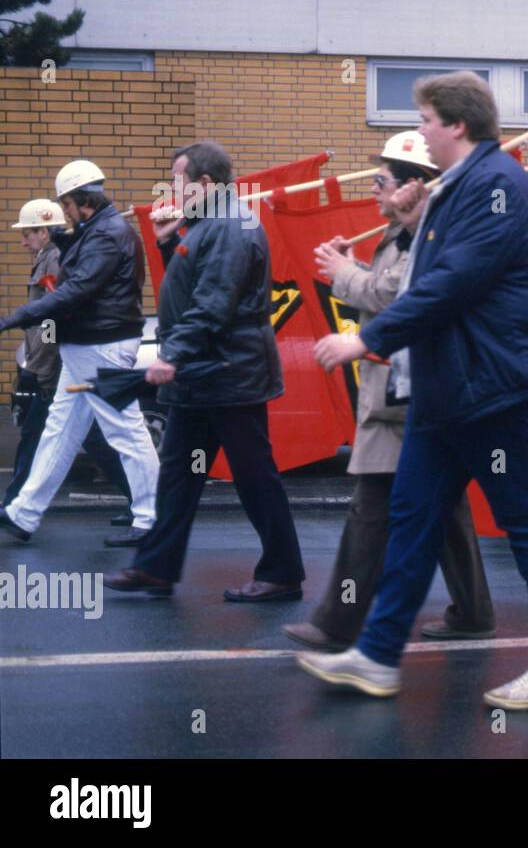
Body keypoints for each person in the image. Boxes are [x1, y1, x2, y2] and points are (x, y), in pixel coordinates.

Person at [304, 72, 528, 709]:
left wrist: (365, 340)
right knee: (413, 520)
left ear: (456, 124)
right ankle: (376, 656)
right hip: (448, 390)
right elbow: (425, 270)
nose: (420, 131)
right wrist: (404, 222)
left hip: (500, 388)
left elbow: (449, 285)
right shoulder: (455, 189)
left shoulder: (497, 186)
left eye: (426, 119)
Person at [283, 131, 496, 650]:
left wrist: (344, 274)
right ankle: (473, 612)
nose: (375, 189)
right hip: (408, 390)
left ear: (412, 186)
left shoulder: (430, 236)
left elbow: (401, 296)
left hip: (407, 394)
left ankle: (336, 623)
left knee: (371, 509)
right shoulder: (403, 233)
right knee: (445, 511)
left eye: (382, 181)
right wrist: (352, 268)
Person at [105, 141, 305, 601]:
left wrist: (171, 355)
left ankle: (282, 573)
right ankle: (156, 567)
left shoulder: (231, 227)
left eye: (179, 179)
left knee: (254, 474)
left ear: (206, 184)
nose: (172, 188)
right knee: (178, 472)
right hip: (207, 373)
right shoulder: (209, 224)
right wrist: (169, 242)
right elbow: (197, 286)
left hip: (230, 372)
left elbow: (213, 303)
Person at [0, 161, 159, 545]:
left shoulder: (106, 234)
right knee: (60, 433)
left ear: (79, 199)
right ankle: (24, 512)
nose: (64, 210)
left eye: (66, 203)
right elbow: (85, 265)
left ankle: (154, 516)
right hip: (88, 347)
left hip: (100, 347)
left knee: (125, 431)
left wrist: (15, 317)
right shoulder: (101, 231)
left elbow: (79, 289)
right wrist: (63, 237)